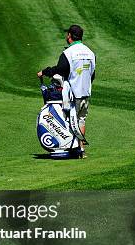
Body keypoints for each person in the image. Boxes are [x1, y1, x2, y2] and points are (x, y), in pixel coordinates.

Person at [37, 24, 96, 158]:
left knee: (68, 121)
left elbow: (60, 70)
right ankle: (81, 150)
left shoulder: (68, 53)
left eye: (67, 34)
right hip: (85, 93)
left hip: (71, 95)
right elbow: (92, 74)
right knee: (81, 120)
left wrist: (45, 72)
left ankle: (72, 148)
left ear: (69, 36)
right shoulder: (90, 53)